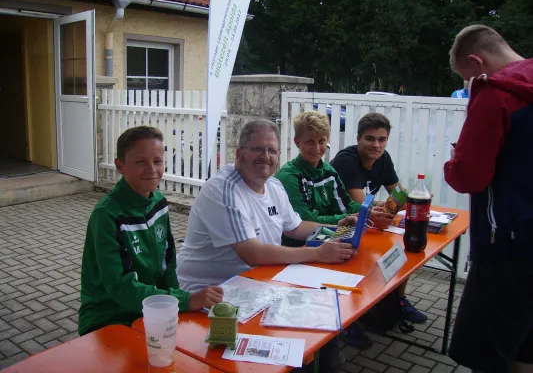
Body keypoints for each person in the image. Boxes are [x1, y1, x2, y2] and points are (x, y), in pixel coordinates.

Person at [176, 119, 355, 373]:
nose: (266, 156)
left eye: (271, 150)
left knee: (324, 325)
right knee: (287, 356)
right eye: (257, 149)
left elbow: (294, 227)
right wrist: (317, 253)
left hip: (255, 286)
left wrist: (339, 228)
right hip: (210, 294)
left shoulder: (273, 186)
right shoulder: (223, 189)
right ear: (239, 154)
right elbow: (253, 253)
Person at [445, 24, 533, 373]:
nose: (468, 87)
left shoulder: (495, 93)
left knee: (486, 354)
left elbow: (468, 176)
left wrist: (455, 159)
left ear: (476, 61)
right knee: (524, 349)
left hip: (507, 251)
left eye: (466, 79)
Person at [78, 126, 223, 336]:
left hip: (153, 310)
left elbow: (168, 265)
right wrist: (185, 300)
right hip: (109, 319)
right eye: (140, 162)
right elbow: (120, 287)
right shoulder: (107, 214)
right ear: (120, 166)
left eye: (157, 161)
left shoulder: (159, 202)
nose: (151, 169)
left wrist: (177, 302)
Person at [276, 110, 395, 350]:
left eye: (321, 141)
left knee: (367, 266)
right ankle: (337, 330)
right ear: (297, 142)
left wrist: (365, 213)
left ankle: (351, 321)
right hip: (297, 249)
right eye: (310, 141)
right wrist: (347, 218)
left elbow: (347, 204)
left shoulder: (328, 171)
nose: (317, 148)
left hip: (329, 238)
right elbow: (304, 220)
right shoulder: (289, 175)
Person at [330, 113, 427, 324]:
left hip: (362, 223)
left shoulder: (383, 158)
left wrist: (416, 199)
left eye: (382, 140)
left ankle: (398, 302)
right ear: (358, 139)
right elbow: (361, 207)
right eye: (370, 139)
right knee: (377, 256)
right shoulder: (347, 160)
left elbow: (398, 194)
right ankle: (351, 319)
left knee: (405, 249)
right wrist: (384, 207)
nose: (376, 145)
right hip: (340, 223)